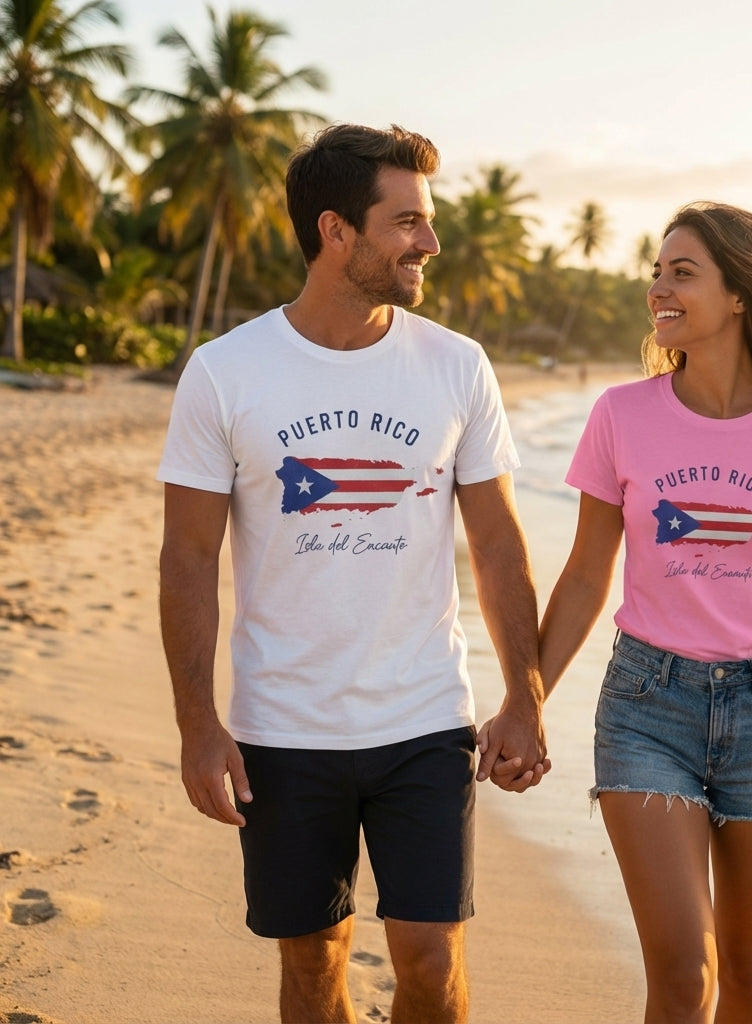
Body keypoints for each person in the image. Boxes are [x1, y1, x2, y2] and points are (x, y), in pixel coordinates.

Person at [157, 123, 548, 1024]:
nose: (430, 243)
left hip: (423, 718)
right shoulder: (225, 373)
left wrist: (523, 697)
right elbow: (187, 557)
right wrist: (198, 725)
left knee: (430, 963)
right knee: (311, 967)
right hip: (283, 728)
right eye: (407, 221)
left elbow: (496, 544)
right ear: (337, 231)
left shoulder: (457, 366)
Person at [480, 201, 752, 1022]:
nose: (658, 287)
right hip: (646, 706)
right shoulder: (622, 415)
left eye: (681, 272)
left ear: (742, 294)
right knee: (682, 974)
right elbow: (589, 574)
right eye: (656, 272)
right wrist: (528, 701)